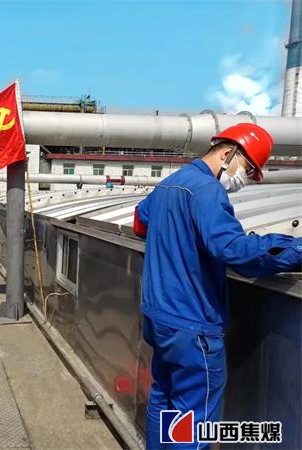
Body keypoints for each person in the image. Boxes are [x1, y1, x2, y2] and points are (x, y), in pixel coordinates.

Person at [133, 123, 302, 449]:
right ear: (227, 153)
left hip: (159, 318)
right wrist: (295, 249)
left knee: (163, 399)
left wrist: (174, 239)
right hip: (192, 326)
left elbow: (141, 222)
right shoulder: (207, 191)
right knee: (193, 418)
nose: (247, 179)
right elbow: (234, 250)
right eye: (249, 170)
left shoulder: (171, 183)